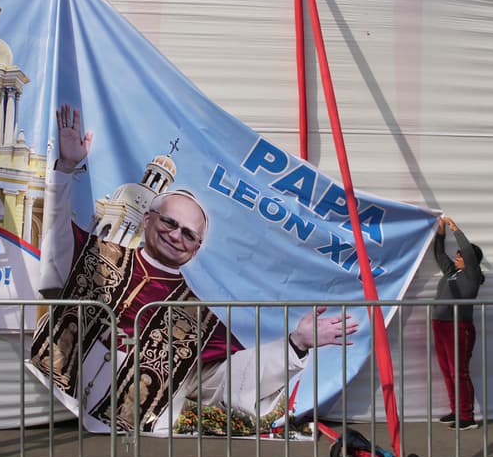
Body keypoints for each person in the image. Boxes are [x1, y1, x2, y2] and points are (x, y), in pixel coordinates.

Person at [30, 104, 358, 432]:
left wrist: (295, 343)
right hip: (48, 405)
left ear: (196, 248)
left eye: (189, 234)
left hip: (125, 432)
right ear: (147, 220)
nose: (176, 236)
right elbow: (55, 238)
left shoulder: (198, 317)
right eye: (170, 223)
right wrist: (65, 170)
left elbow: (227, 379)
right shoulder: (99, 252)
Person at [432, 216, 484, 431]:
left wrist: (456, 230)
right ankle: (456, 410)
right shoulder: (452, 272)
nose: (457, 257)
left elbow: (470, 255)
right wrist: (441, 232)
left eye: (460, 255)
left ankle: (467, 416)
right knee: (447, 370)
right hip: (441, 324)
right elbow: (438, 254)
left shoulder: (473, 275)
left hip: (458, 327)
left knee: (458, 371)